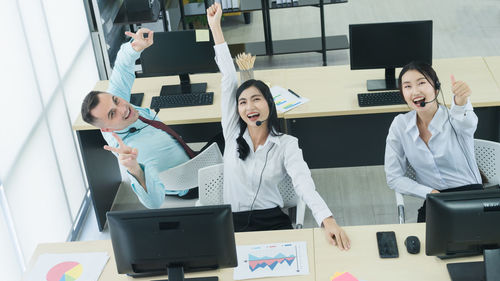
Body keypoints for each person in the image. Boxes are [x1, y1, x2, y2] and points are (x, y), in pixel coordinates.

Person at [206, 3, 350, 250]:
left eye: (256, 99)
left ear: (269, 105)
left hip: (272, 220)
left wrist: (327, 219)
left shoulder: (286, 145)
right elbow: (229, 78)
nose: (249, 107)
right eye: (242, 102)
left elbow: (304, 183)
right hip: (233, 223)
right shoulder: (232, 132)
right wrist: (216, 27)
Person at [80, 28, 198, 209]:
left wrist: (134, 48)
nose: (123, 108)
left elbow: (121, 66)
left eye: (116, 100)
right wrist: (136, 171)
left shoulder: (117, 103)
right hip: (192, 182)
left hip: (192, 158)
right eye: (112, 114)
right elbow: (153, 203)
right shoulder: (136, 150)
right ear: (106, 129)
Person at [384, 61, 483, 222]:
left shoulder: (454, 117)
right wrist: (429, 192)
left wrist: (461, 102)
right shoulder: (400, 125)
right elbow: (394, 177)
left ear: (436, 88)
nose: (415, 91)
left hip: (470, 197)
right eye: (407, 86)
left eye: (422, 83)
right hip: (434, 200)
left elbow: (468, 123)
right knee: (430, 246)